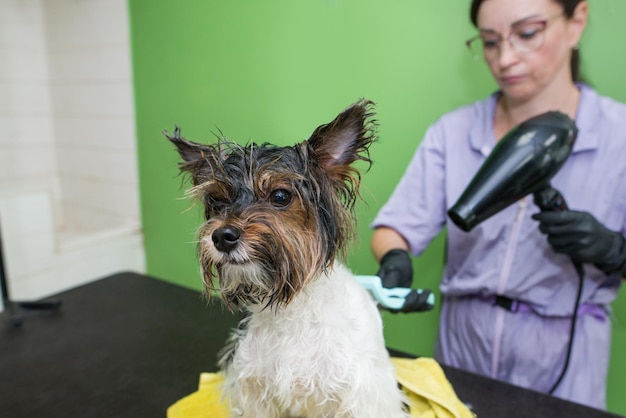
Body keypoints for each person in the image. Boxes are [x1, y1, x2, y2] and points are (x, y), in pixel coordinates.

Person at [370, 0, 626, 410]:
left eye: (527, 34)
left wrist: (615, 252)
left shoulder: (620, 137)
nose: (505, 59)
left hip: (566, 355)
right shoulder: (454, 133)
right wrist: (395, 257)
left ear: (577, 21)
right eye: (490, 42)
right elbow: (395, 227)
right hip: (463, 345)